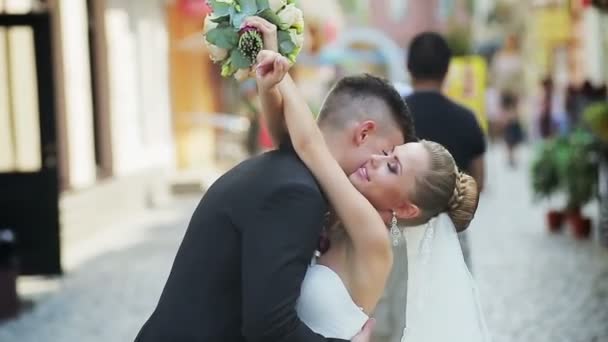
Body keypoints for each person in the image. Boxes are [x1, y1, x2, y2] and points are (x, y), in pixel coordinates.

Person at [134, 16, 413, 342]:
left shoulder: (288, 171)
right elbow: (270, 330)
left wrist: (274, 83)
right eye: (386, 151)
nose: (380, 163)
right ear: (364, 132)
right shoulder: (296, 193)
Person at [255, 49, 489, 342]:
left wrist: (278, 68)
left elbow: (310, 146)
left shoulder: (374, 237)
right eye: (388, 152)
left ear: (405, 208)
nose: (376, 160)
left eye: (392, 167)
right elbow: (291, 149)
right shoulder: (343, 211)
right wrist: (269, 86)